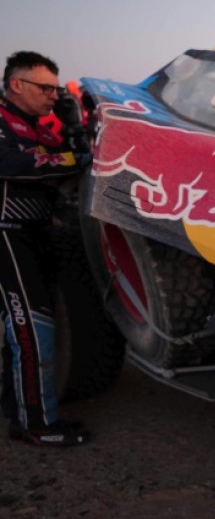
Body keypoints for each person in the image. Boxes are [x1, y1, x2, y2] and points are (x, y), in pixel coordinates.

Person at [1, 51, 91, 446]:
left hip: (32, 233)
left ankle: (18, 406)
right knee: (34, 329)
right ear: (16, 84)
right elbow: (17, 165)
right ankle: (37, 426)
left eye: (56, 88)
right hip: (6, 233)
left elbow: (65, 157)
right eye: (45, 88)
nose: (53, 95)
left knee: (20, 328)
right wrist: (75, 156)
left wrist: (74, 129)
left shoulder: (35, 125)